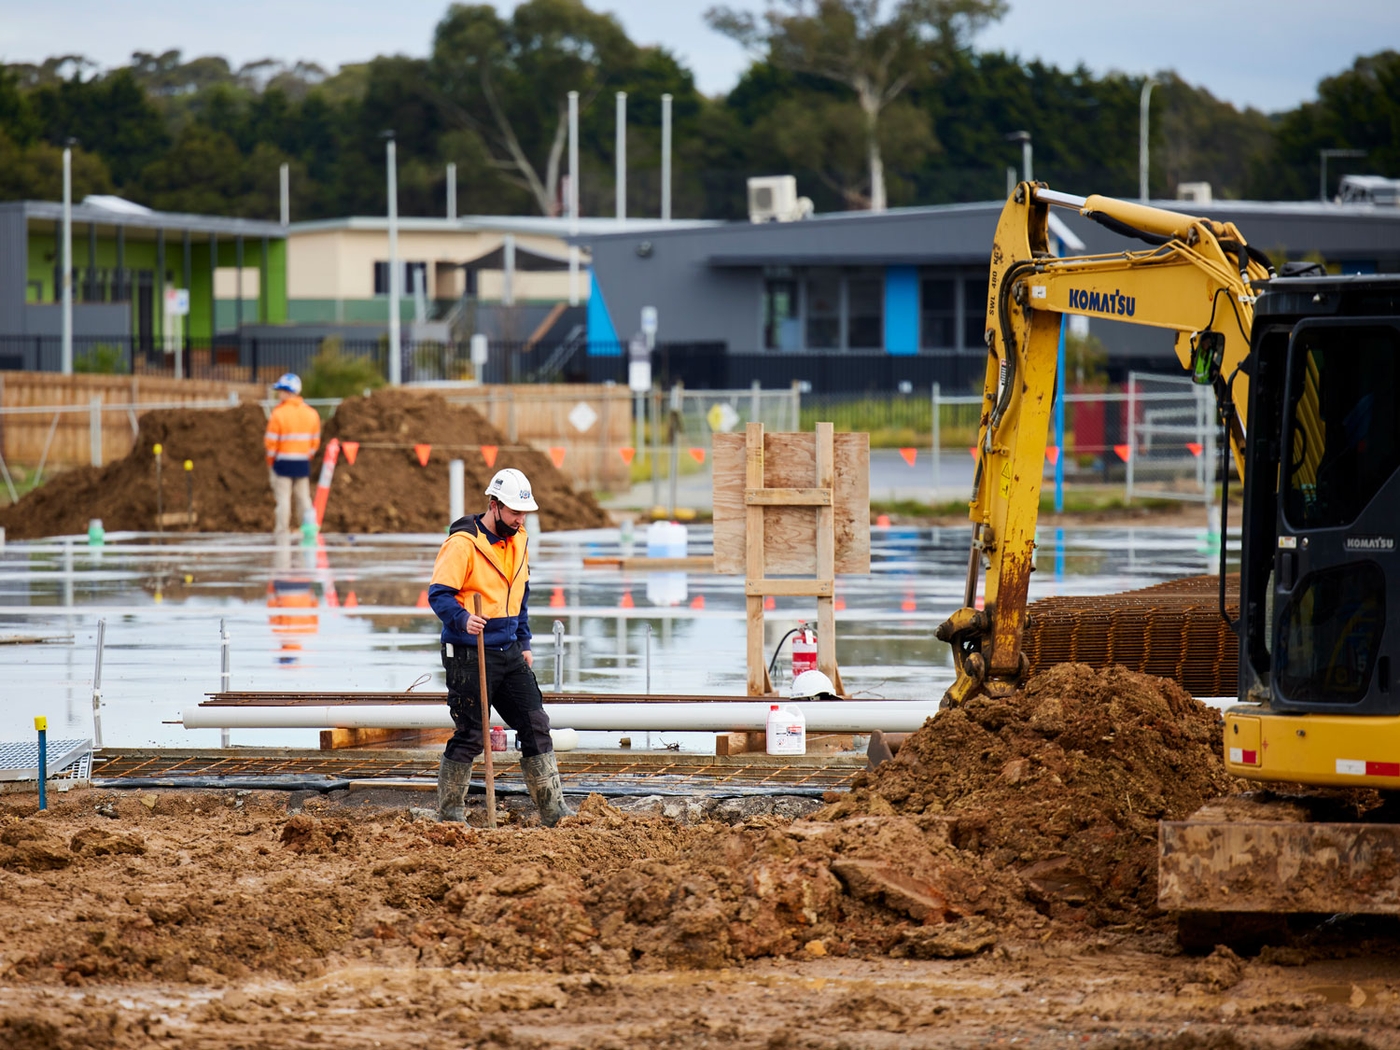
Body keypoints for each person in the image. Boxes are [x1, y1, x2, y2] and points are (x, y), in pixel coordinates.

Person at [428, 467, 573, 827]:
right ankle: (450, 816)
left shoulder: (520, 539)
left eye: (523, 513)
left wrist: (523, 640)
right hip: (468, 650)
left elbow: (520, 593)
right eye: (514, 512)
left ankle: (553, 811)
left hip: (508, 649)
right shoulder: (462, 544)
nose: (520, 520)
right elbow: (439, 594)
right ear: (494, 506)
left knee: (535, 723)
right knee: (472, 734)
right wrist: (461, 619)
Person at [264, 373, 322, 534]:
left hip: (282, 462)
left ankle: (282, 530)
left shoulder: (279, 414)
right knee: (303, 498)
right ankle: (309, 529)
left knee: (283, 499)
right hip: (302, 462)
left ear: (288, 392)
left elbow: (271, 442)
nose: (278, 394)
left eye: (281, 391)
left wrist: (271, 460)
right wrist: (306, 455)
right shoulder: (311, 414)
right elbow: (315, 442)